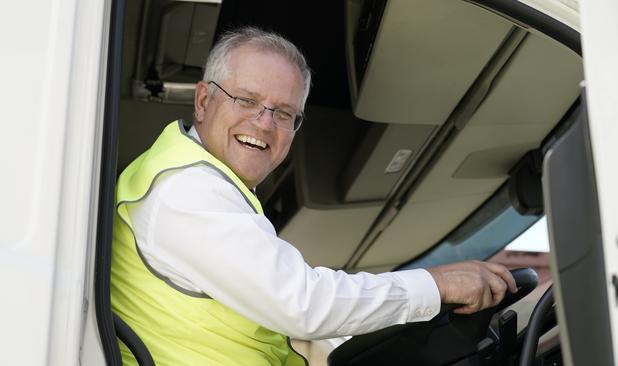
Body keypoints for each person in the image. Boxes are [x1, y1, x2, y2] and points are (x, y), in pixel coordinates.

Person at [110, 26, 517, 366]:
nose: (264, 123)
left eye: (283, 113)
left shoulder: (192, 179)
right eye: (247, 100)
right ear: (203, 101)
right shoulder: (187, 189)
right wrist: (436, 284)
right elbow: (302, 304)